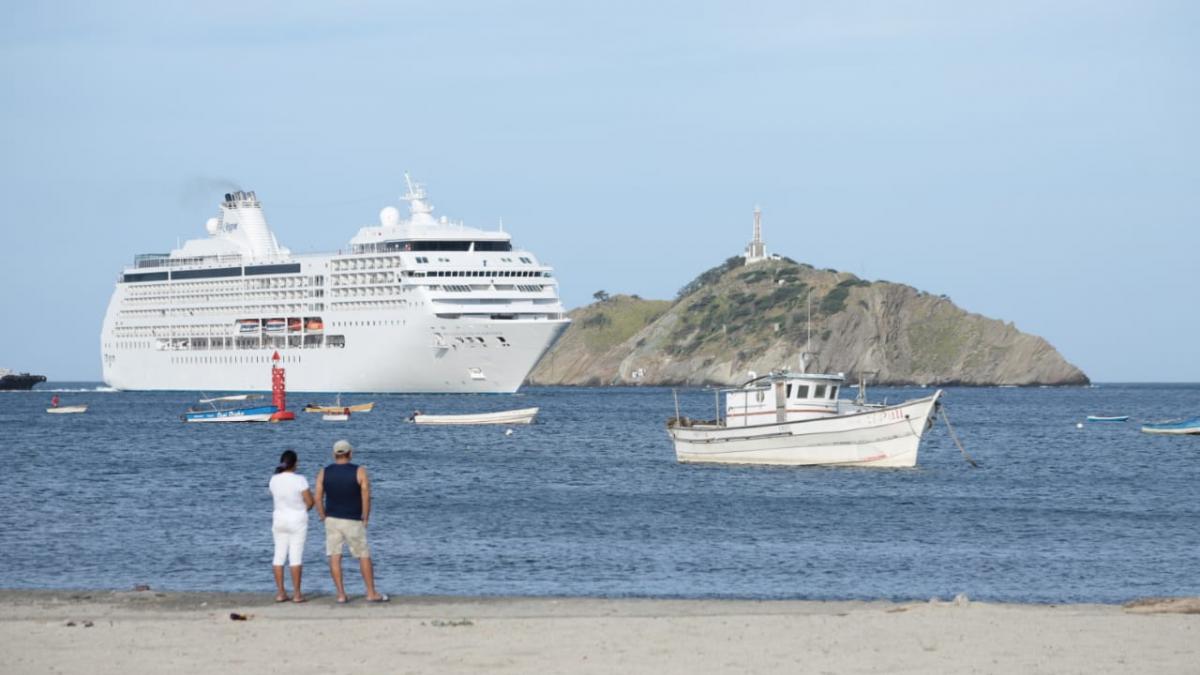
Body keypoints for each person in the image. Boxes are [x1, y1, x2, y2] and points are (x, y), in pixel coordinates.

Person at [315, 439, 388, 603]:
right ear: (350, 453)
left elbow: (318, 496)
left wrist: (322, 515)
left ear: (334, 454)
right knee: (363, 555)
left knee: (335, 556)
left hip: (332, 519)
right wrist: (366, 516)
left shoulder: (324, 472)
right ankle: (371, 592)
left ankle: (341, 594)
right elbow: (366, 495)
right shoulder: (359, 471)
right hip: (353, 519)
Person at [268, 449, 314, 603]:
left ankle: (280, 593)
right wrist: (302, 510)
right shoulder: (300, 479)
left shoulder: (274, 480)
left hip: (279, 519)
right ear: (295, 463)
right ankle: (297, 594)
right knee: (295, 556)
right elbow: (310, 501)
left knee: (279, 555)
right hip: (297, 520)